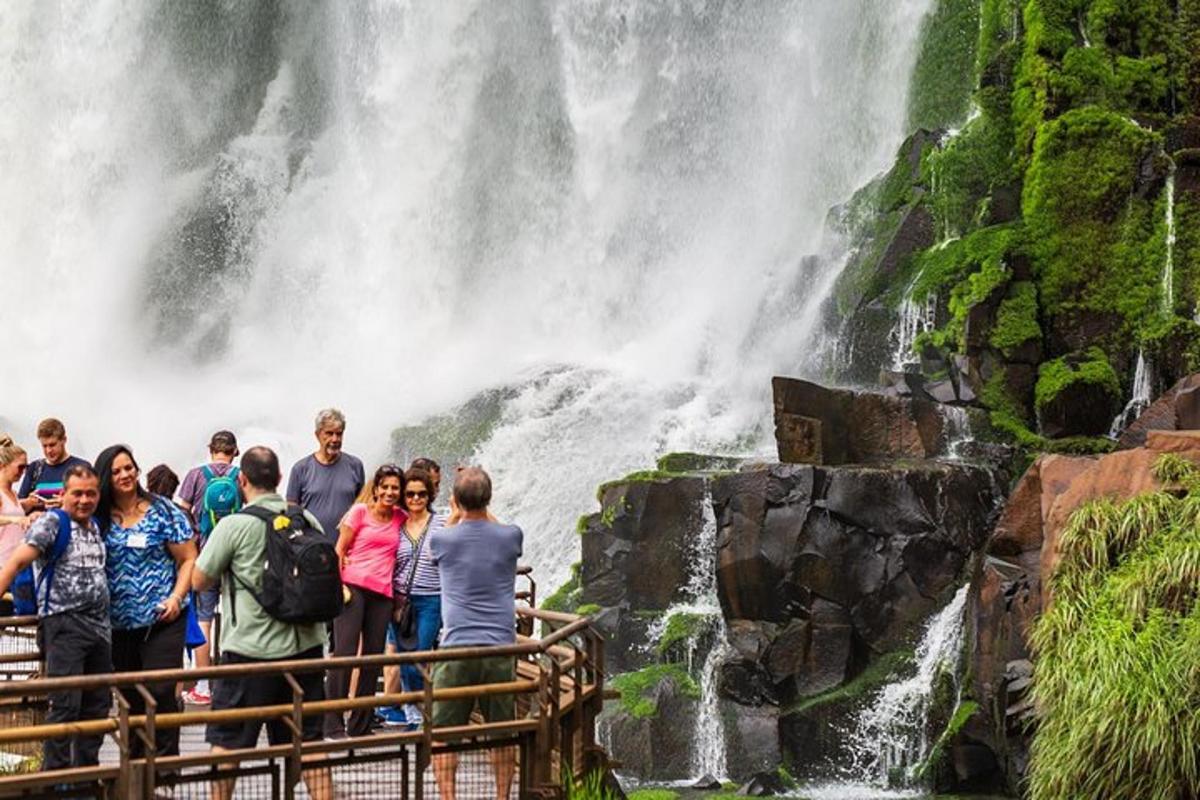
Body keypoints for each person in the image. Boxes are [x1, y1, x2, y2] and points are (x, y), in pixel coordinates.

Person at [193, 446, 332, 800]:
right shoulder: (307, 520)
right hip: (306, 650)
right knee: (310, 743)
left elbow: (199, 580)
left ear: (242, 481)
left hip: (249, 654)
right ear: (280, 478)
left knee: (228, 743)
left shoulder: (234, 526)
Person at [0, 464, 112, 771]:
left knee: (98, 704)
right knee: (65, 704)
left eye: (91, 494)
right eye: (77, 494)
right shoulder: (52, 522)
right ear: (63, 494)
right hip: (64, 625)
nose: (84, 500)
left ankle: (85, 773)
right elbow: (16, 561)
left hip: (100, 630)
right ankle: (57, 780)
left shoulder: (94, 528)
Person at [95, 445, 197, 759]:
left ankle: (163, 771)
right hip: (118, 624)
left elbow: (189, 558)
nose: (125, 475)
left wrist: (177, 597)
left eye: (129, 468)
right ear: (105, 478)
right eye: (116, 471)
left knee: (161, 690)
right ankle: (136, 770)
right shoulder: (97, 516)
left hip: (163, 617)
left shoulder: (163, 510)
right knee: (129, 699)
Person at [430, 467, 523, 800]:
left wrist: (457, 512)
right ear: (490, 498)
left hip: (456, 648)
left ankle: (449, 798)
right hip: (501, 648)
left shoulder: (442, 538)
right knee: (502, 733)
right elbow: (497, 528)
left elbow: (445, 541)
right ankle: (501, 797)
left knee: (443, 733)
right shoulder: (511, 536)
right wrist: (479, 506)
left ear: (454, 500)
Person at [324, 464, 406, 739]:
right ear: (376, 487)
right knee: (345, 654)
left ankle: (361, 723)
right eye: (385, 487)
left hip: (382, 594)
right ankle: (332, 722)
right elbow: (339, 550)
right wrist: (338, 587)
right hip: (353, 588)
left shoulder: (400, 518)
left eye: (395, 488)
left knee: (372, 657)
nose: (390, 492)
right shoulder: (359, 512)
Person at [177, 430, 240, 705]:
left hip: (204, 556)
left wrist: (192, 540)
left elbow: (180, 510)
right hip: (236, 557)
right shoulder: (241, 476)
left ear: (210, 449)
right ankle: (236, 684)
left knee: (204, 618)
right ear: (235, 451)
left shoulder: (195, 475)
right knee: (236, 616)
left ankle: (202, 686)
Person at [390, 466, 446, 728]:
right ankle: (414, 715)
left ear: (430, 495)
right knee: (403, 658)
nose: (415, 499)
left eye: (421, 494)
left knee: (419, 656)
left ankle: (423, 711)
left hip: (430, 599)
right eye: (410, 494)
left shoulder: (442, 523)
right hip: (400, 600)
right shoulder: (396, 523)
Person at [287, 409, 364, 544]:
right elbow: (291, 510)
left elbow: (362, 505)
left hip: (347, 548)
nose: (335, 439)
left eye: (339, 434)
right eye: (329, 433)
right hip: (312, 549)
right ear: (317, 435)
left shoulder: (355, 466)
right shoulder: (301, 469)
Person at [17, 418, 91, 514]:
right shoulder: (34, 468)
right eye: (44, 446)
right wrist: (29, 503)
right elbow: (18, 507)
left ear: (64, 440)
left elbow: (91, 502)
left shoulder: (81, 467)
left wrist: (67, 503)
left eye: (52, 445)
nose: (48, 451)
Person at [0, 436, 33, 574]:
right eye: (20, 467)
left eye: (26, 467)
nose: (22, 472)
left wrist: (28, 505)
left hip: (17, 564)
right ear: (3, 466)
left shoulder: (13, 493)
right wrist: (16, 519)